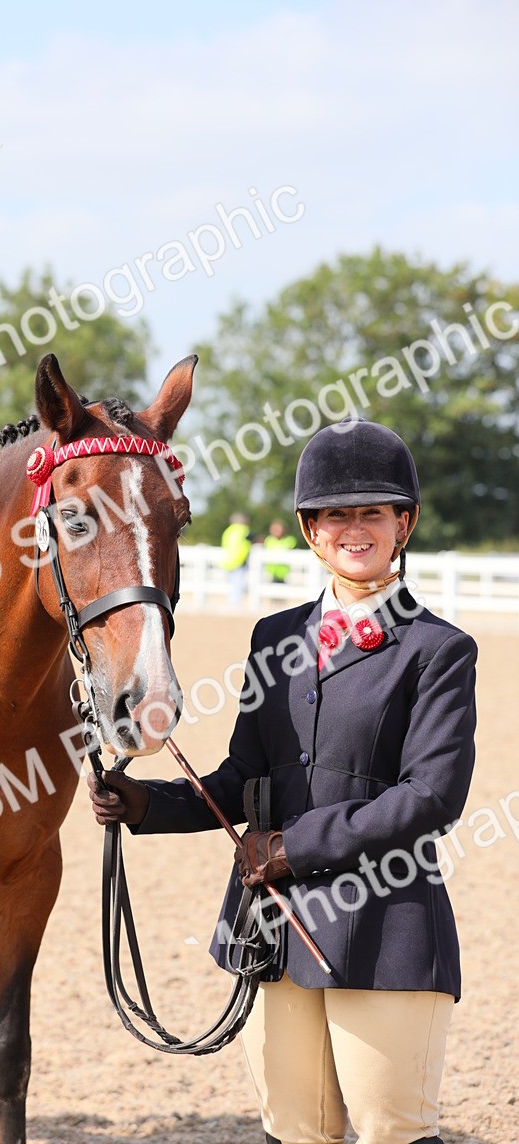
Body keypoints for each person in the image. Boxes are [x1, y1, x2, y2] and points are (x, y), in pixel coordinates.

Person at [89, 419, 476, 1144]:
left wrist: (292, 845)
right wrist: (147, 805)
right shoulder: (275, 637)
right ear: (309, 528)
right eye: (336, 513)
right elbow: (245, 777)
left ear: (405, 522)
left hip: (383, 926)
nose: (353, 528)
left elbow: (431, 799)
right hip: (272, 926)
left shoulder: (439, 651)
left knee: (392, 1129)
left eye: (373, 512)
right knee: (295, 1129)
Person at [220, 512, 252, 605]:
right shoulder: (244, 530)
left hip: (228, 561)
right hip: (239, 560)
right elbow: (252, 539)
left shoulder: (228, 530)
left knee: (232, 584)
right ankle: (235, 604)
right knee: (238, 584)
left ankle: (231, 602)